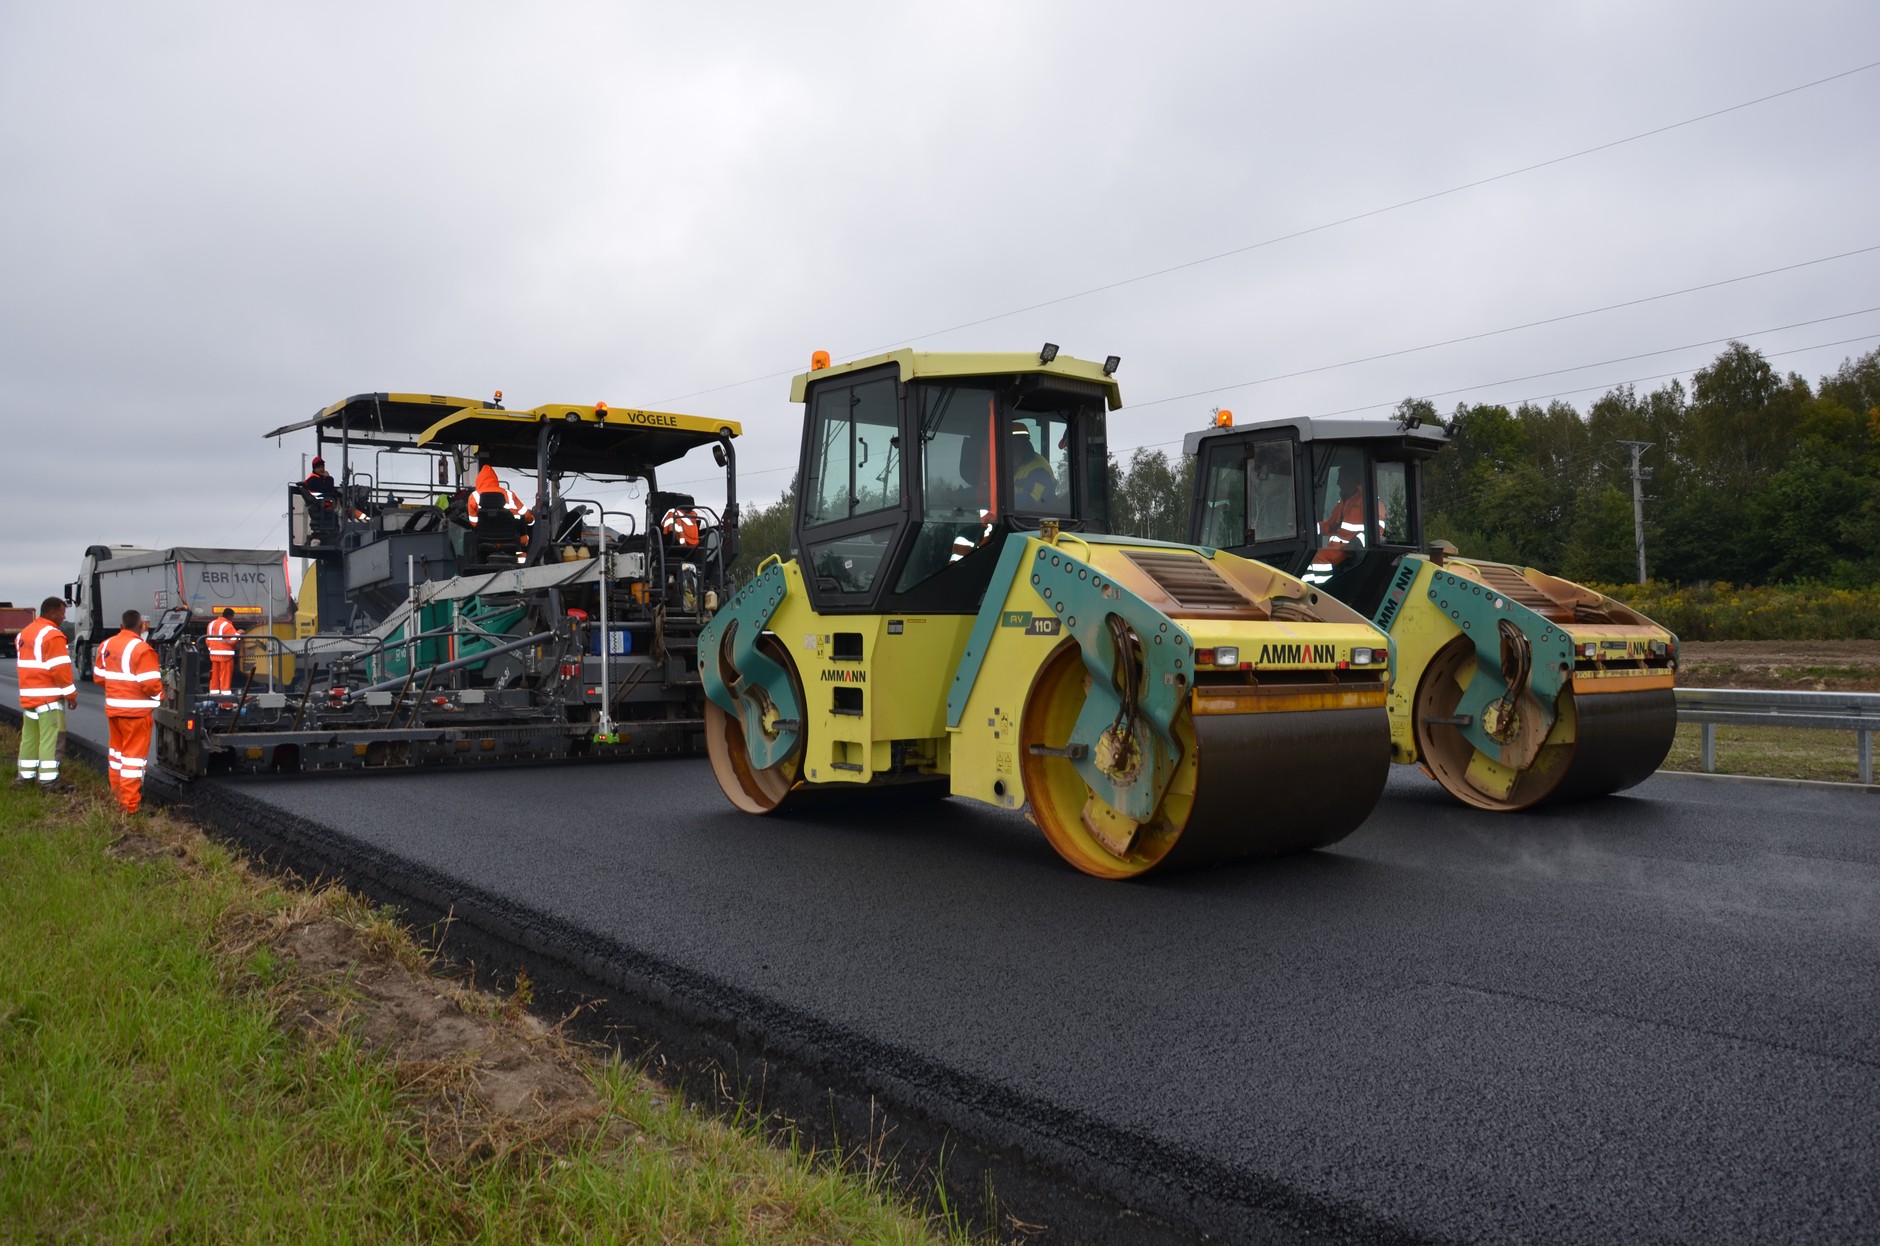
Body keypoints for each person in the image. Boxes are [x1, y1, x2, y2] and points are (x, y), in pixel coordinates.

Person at [93, 609, 163, 815]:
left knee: (117, 756)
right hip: (136, 715)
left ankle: (116, 798)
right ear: (142, 626)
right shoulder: (142, 649)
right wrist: (160, 697)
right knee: (133, 761)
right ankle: (130, 806)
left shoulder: (106, 646)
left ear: (121, 626)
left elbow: (99, 678)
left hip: (114, 711)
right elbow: (151, 684)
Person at [15, 596, 77, 794]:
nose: (63, 616)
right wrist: (71, 696)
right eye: (62, 612)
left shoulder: (24, 634)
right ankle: (49, 783)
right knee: (52, 740)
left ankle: (24, 777)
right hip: (49, 700)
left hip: (29, 699)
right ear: (51, 612)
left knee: (30, 738)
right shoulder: (52, 635)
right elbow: (60, 671)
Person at [1305, 468, 1367, 584]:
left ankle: (1323, 590)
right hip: (1337, 547)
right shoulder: (1343, 503)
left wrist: (1356, 543)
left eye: (1341, 479)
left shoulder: (1367, 501)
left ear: (1351, 480)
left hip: (1350, 549)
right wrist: (1306, 529)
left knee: (1320, 557)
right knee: (1306, 557)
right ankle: (1307, 588)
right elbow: (1330, 526)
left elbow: (1377, 529)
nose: (1338, 483)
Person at [1010, 421, 1057, 509]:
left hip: (1036, 520)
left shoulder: (1039, 469)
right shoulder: (1007, 465)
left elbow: (1030, 500)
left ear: (1025, 443)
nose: (1013, 447)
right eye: (1009, 443)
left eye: (1016, 442)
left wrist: (1003, 505)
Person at [206, 607, 243, 705]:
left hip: (214, 654)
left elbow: (207, 640)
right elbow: (232, 641)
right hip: (225, 655)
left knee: (215, 675)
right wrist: (239, 633)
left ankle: (213, 694)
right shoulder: (227, 626)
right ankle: (225, 699)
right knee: (225, 676)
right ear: (230, 616)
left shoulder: (211, 624)